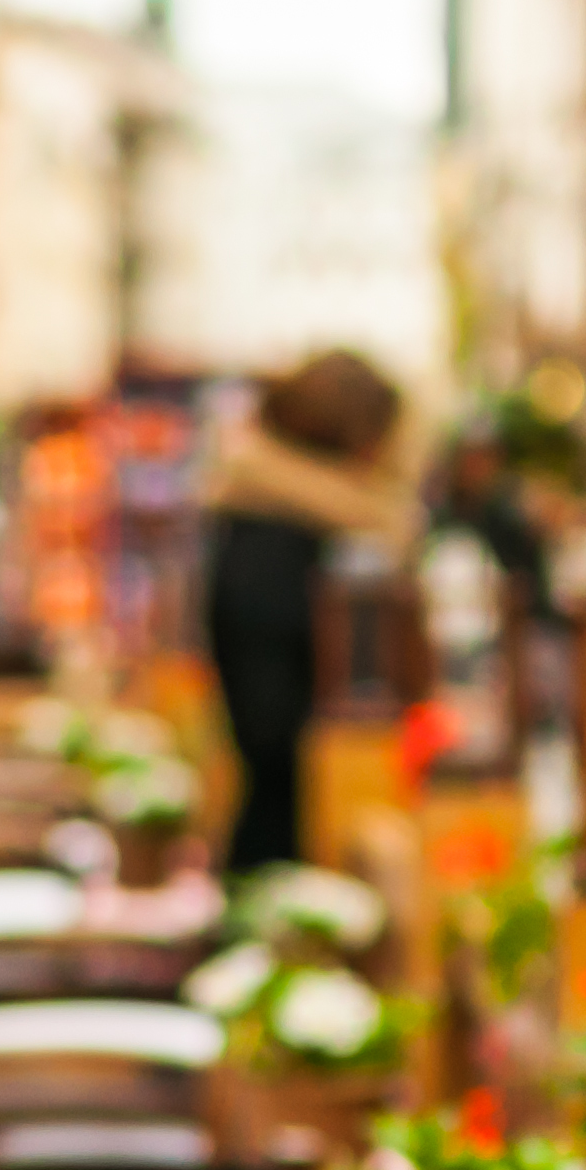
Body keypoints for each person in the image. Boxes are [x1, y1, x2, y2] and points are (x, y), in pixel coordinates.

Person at [201, 350, 414, 876]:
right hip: (289, 847)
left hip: (290, 829)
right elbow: (271, 724)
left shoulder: (283, 519)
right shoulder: (278, 534)